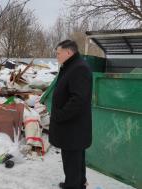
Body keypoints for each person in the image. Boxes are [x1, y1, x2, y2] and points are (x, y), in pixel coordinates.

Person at [49, 40, 92, 189]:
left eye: (58, 53)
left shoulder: (78, 68)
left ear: (68, 52)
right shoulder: (72, 66)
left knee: (72, 161)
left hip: (73, 127)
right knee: (76, 159)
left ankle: (73, 185)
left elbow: (78, 100)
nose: (57, 56)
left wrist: (59, 115)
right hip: (73, 127)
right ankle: (78, 183)